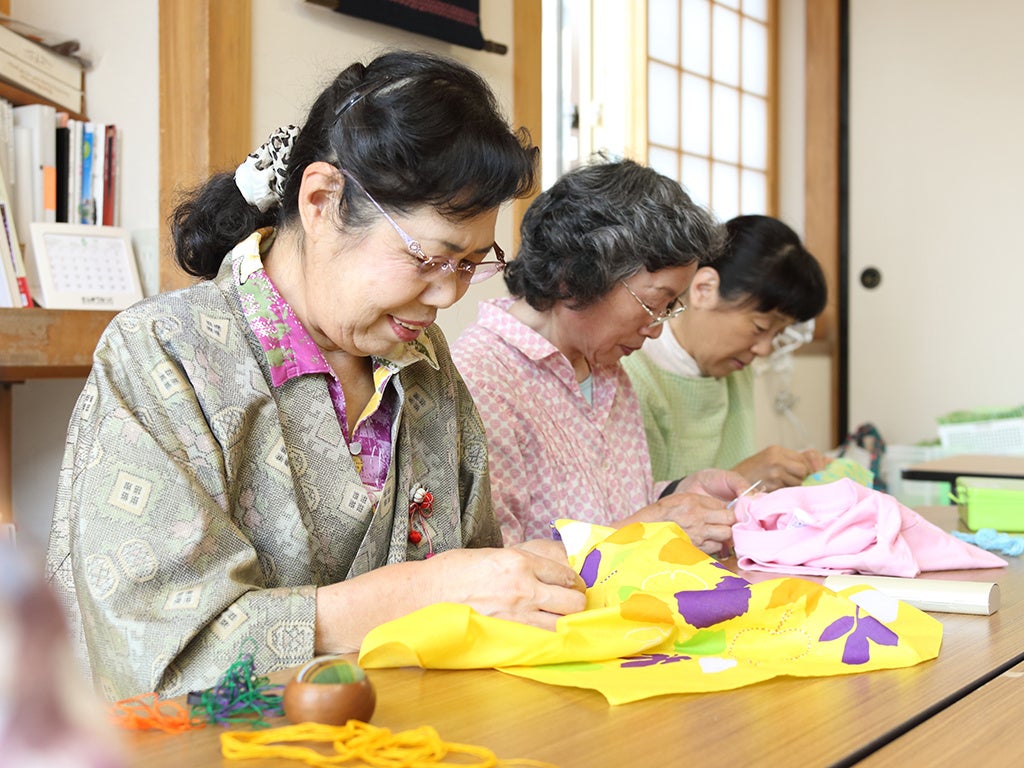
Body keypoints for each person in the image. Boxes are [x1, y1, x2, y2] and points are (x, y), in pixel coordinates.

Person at [45, 51, 587, 701]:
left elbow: (472, 587)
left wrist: (513, 577)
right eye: (429, 258)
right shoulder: (162, 354)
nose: (447, 296)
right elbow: (151, 653)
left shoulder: (425, 362)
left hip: (412, 731)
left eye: (471, 264)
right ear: (322, 201)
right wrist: (418, 594)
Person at [451, 158, 749, 552]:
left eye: (670, 308)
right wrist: (652, 531)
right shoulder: (482, 379)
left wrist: (678, 493)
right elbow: (498, 562)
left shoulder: (607, 371)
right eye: (653, 304)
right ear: (576, 277)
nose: (656, 328)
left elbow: (612, 509)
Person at [622, 214, 829, 491]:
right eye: (760, 327)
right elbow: (629, 509)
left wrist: (787, 473)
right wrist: (744, 476)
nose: (763, 349)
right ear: (704, 289)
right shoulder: (631, 373)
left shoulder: (734, 367)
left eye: (777, 334)